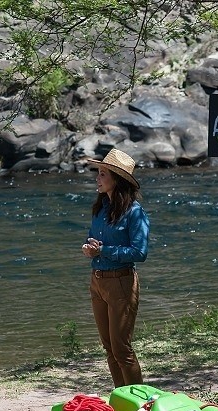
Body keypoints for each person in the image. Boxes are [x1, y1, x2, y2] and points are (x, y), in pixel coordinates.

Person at [81, 148, 149, 388]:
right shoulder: (100, 209)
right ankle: (122, 400)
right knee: (109, 347)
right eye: (98, 173)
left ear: (116, 180)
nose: (97, 179)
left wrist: (105, 250)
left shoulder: (135, 213)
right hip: (97, 282)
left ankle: (140, 404)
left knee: (122, 348)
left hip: (121, 283)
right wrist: (90, 249)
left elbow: (139, 253)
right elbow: (94, 239)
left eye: (102, 174)